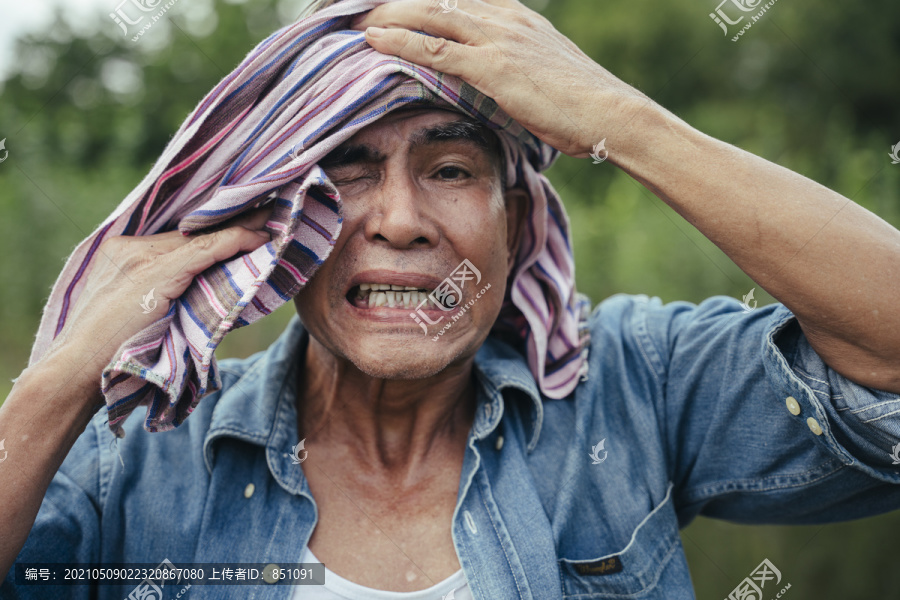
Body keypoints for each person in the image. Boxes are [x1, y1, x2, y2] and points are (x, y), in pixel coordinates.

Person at [2, 0, 900, 598]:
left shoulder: (631, 387)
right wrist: (54, 391)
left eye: (450, 168)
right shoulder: (137, 456)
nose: (399, 219)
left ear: (516, 222)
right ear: (277, 225)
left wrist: (624, 122)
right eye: (344, 170)